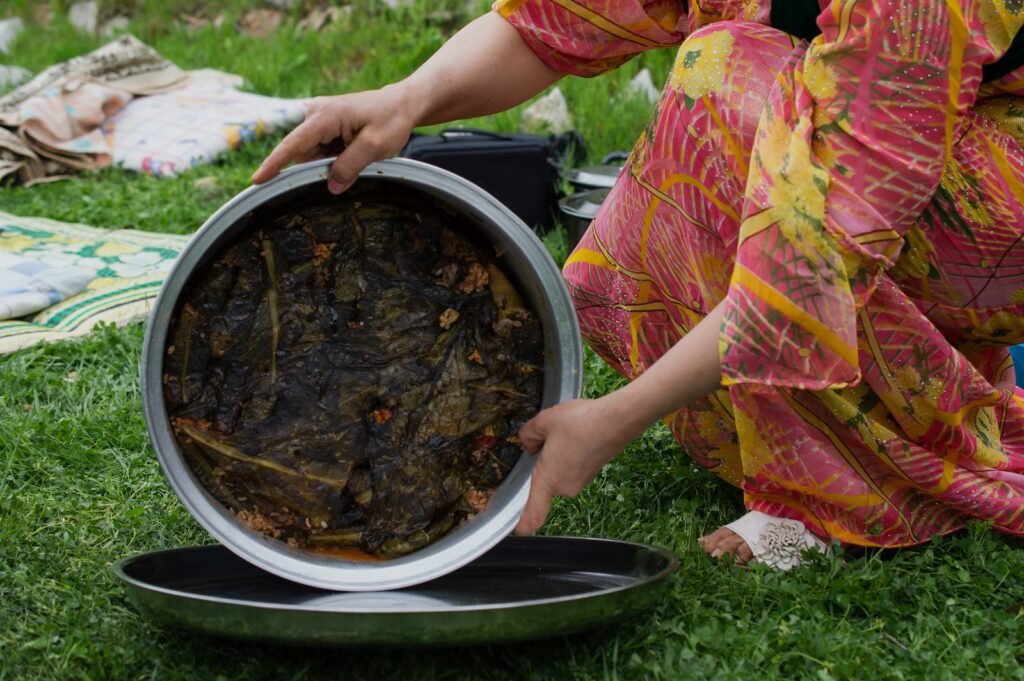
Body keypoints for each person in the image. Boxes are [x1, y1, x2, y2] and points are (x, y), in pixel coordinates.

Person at [253, 1, 1024, 569]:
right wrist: (406, 100)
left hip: (994, 200)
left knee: (723, 79)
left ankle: (837, 499)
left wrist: (615, 420)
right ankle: (835, 422)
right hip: (878, 166)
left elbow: (815, 255)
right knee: (729, 105)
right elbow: (558, 21)